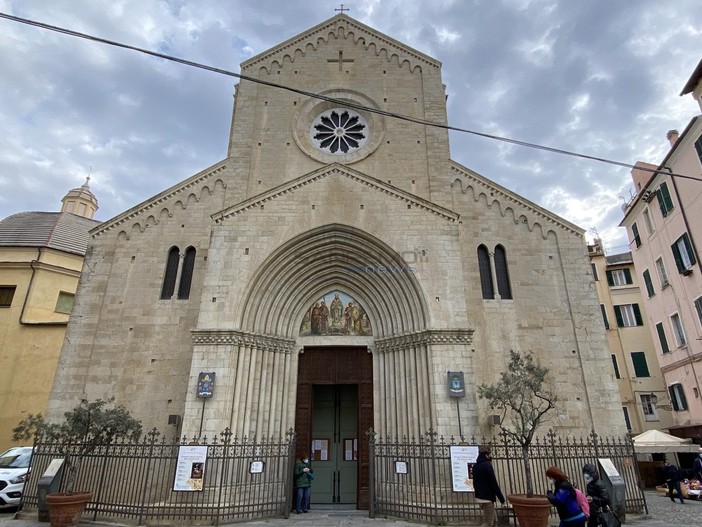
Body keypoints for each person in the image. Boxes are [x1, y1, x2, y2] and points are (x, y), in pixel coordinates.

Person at [472, 447, 505, 527]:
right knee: (489, 523)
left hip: (479, 497)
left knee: (494, 521)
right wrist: (501, 498)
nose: (490, 456)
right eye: (489, 454)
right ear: (486, 455)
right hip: (487, 499)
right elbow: (493, 483)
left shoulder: (475, 466)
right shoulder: (487, 466)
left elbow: (474, 483)